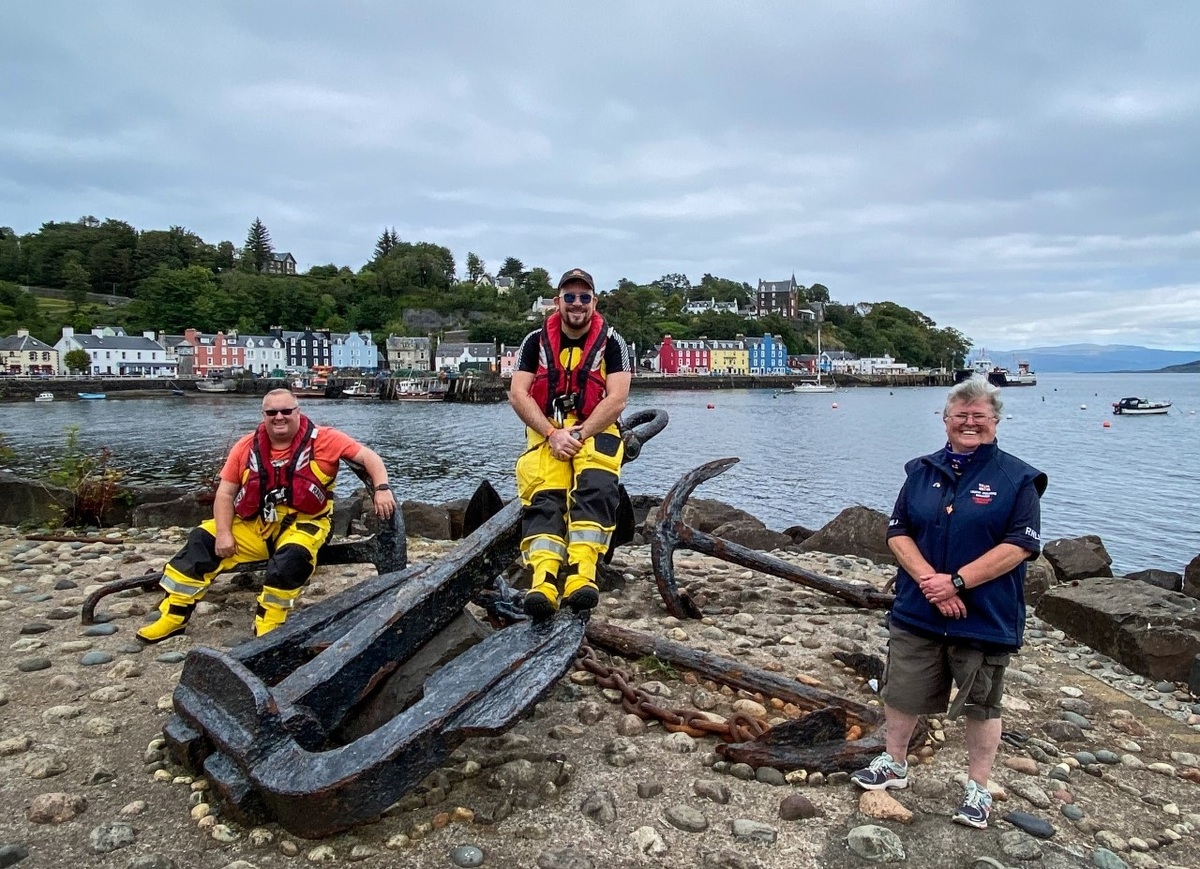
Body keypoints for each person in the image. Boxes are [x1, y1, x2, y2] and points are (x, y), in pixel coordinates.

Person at [851, 377, 1047, 830]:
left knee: (982, 704)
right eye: (961, 415)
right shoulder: (921, 471)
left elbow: (1019, 546)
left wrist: (957, 582)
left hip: (985, 616)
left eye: (979, 415)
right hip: (919, 608)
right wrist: (930, 583)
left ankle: (977, 788)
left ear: (996, 421)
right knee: (901, 690)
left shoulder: (1018, 479)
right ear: (945, 420)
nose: (969, 422)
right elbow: (898, 531)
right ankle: (893, 763)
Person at [136, 388, 397, 642]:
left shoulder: (326, 439)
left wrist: (381, 489)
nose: (279, 417)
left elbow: (369, 458)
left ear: (298, 411)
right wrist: (224, 534)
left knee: (293, 557)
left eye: (286, 410)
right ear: (263, 415)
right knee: (201, 541)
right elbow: (226, 494)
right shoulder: (246, 446)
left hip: (306, 523)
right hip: (255, 525)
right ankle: (173, 616)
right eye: (272, 412)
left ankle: (268, 623)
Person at [508, 268, 633, 620]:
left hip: (594, 429)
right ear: (557, 301)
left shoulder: (613, 342)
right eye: (569, 297)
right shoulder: (534, 342)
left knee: (595, 487)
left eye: (584, 297)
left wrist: (579, 434)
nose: (576, 304)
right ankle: (543, 582)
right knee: (544, 495)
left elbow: (618, 398)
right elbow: (518, 395)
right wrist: (552, 434)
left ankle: (582, 576)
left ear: (594, 301)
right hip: (549, 429)